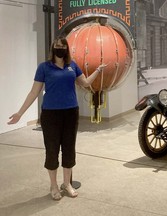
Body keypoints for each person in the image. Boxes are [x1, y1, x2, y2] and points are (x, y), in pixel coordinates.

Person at [7, 36, 106, 201]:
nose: (60, 48)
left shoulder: (72, 66)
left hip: (70, 113)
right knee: (52, 150)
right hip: (50, 114)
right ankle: (53, 185)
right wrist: (20, 113)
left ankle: (67, 184)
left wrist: (97, 70)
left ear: (66, 49)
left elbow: (85, 83)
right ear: (53, 48)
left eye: (63, 46)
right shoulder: (44, 67)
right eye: (57, 46)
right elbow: (34, 92)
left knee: (69, 149)